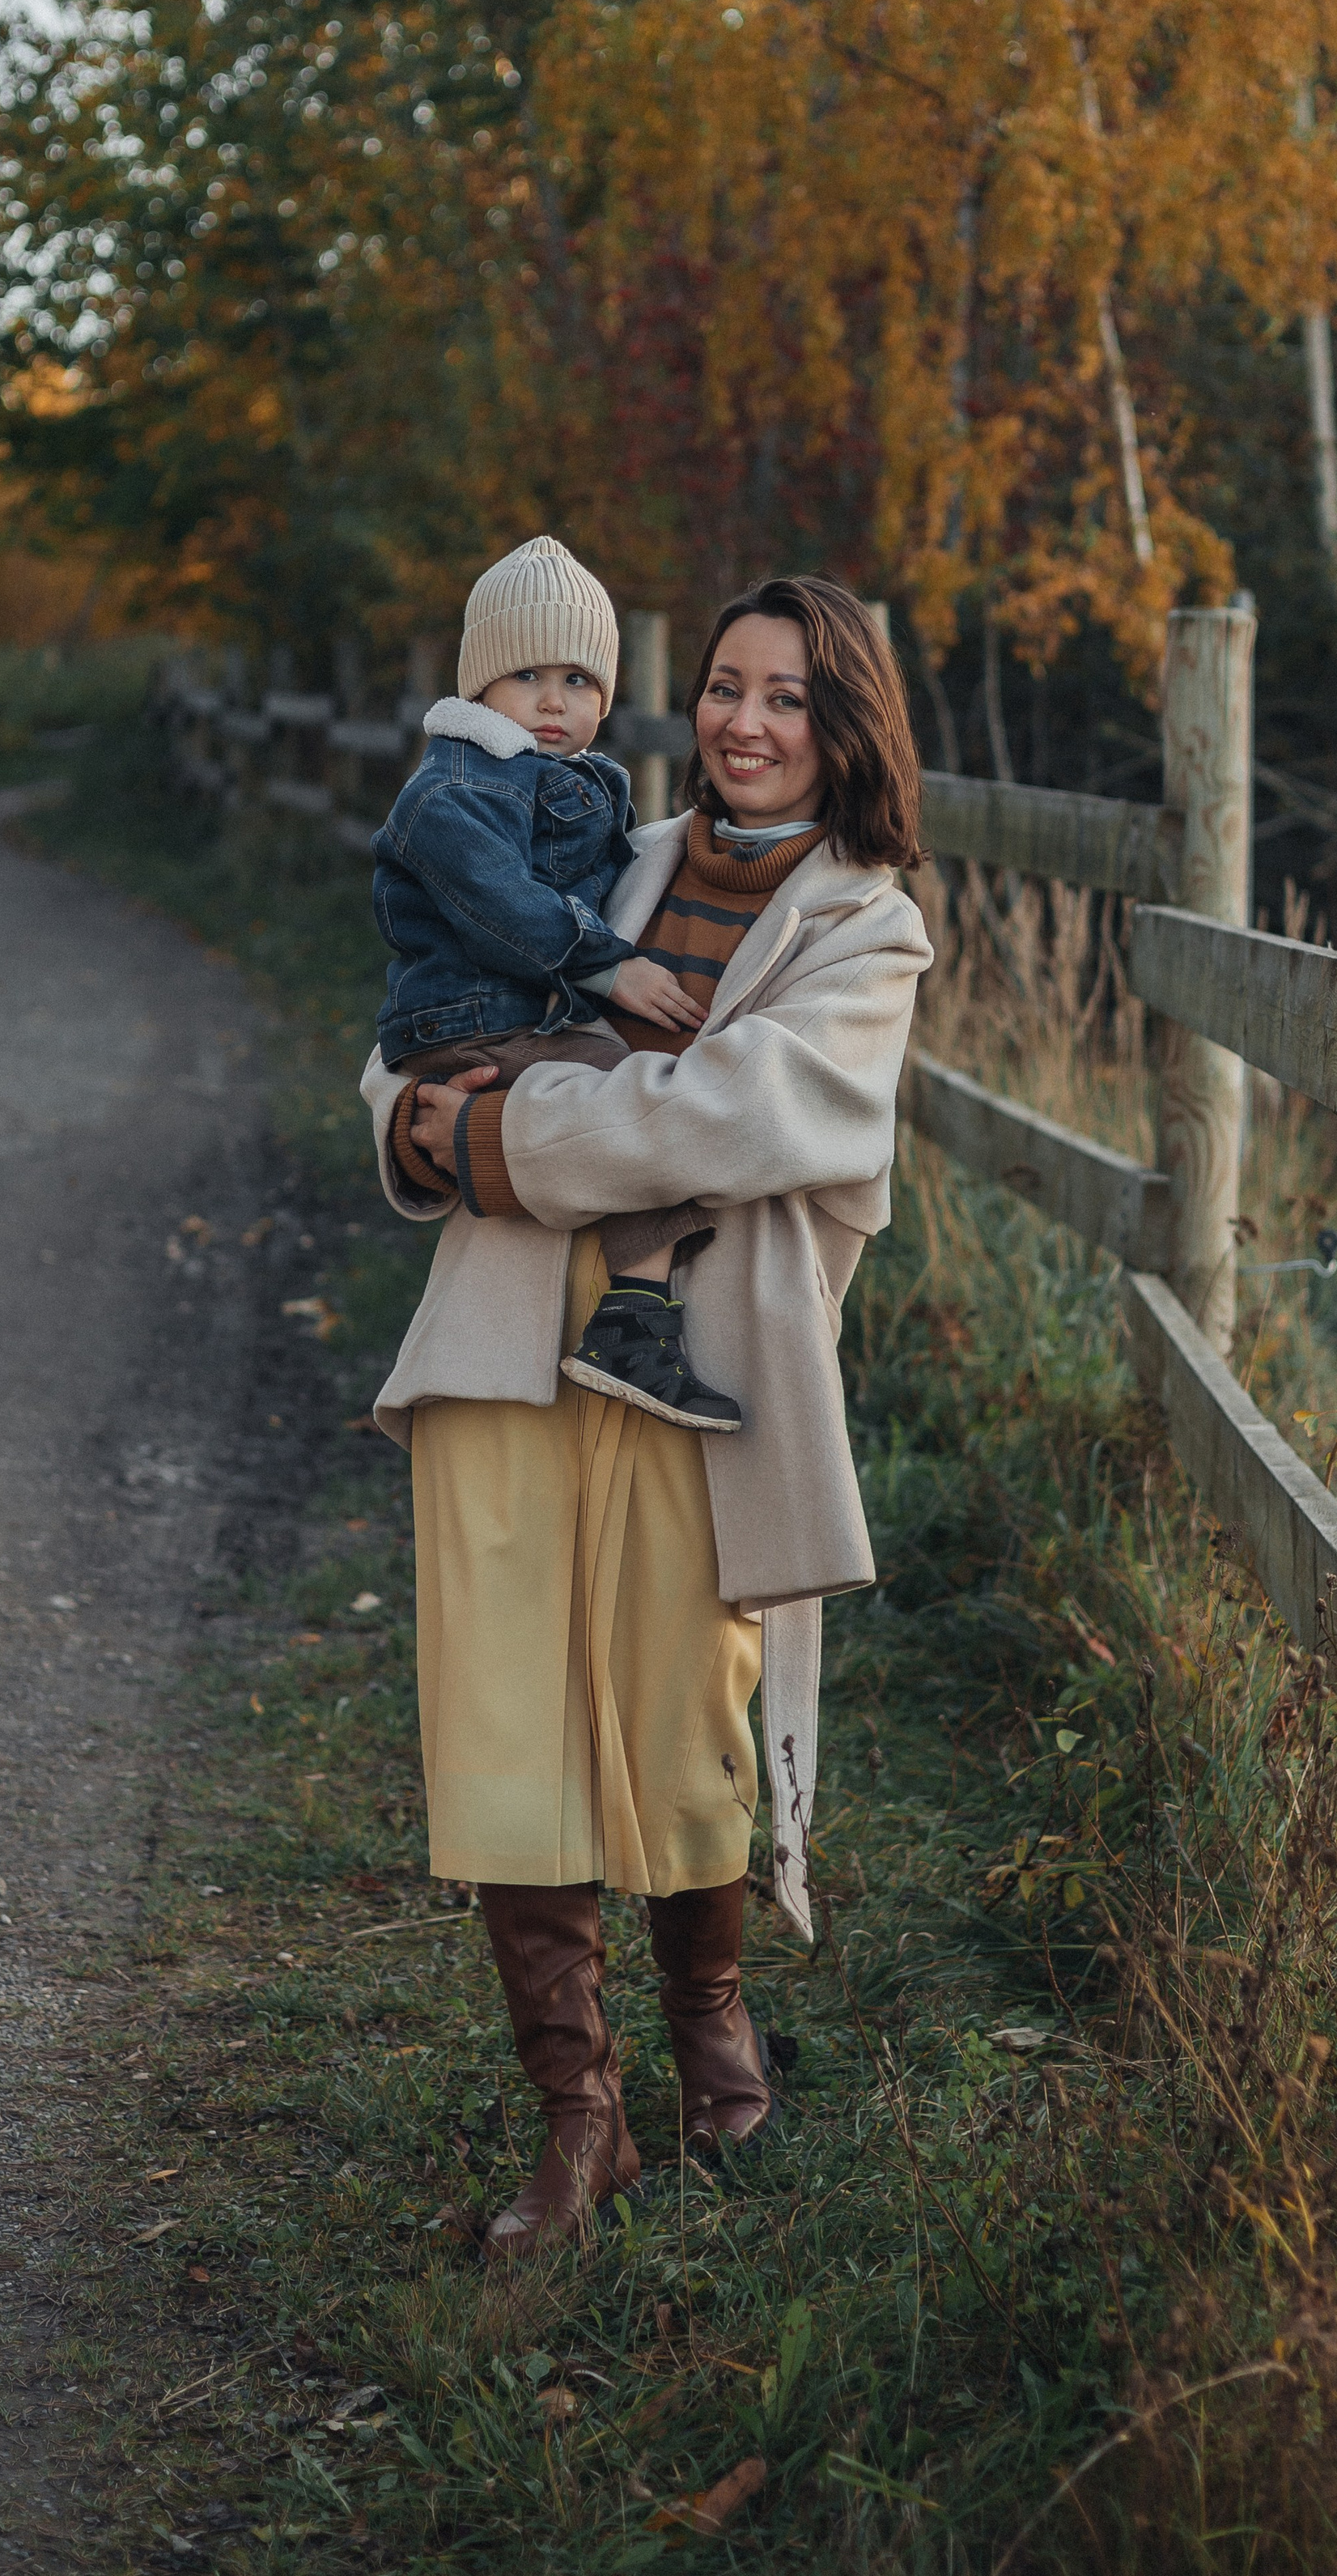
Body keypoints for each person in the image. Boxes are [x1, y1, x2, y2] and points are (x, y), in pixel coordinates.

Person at [361, 576, 931, 2253]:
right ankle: (579, 2114)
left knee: (685, 1705)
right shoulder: (597, 844)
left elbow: (728, 1117)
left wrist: (488, 1137)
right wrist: (409, 1125)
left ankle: (707, 2016)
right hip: (505, 1336)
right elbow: (410, 1035)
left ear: (845, 731)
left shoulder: (864, 928)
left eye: (789, 699)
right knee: (502, 1708)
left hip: (708, 1369)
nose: (745, 724)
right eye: (725, 690)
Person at [374, 532, 741, 1430]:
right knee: (640, 1107)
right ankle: (633, 1318)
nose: (553, 700)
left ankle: (633, 1310)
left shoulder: (570, 782)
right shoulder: (451, 790)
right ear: (479, 684)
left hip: (517, 1012)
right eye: (528, 676)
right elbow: (499, 904)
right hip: (479, 1018)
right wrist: (606, 965)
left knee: (639, 1104)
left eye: (579, 681)